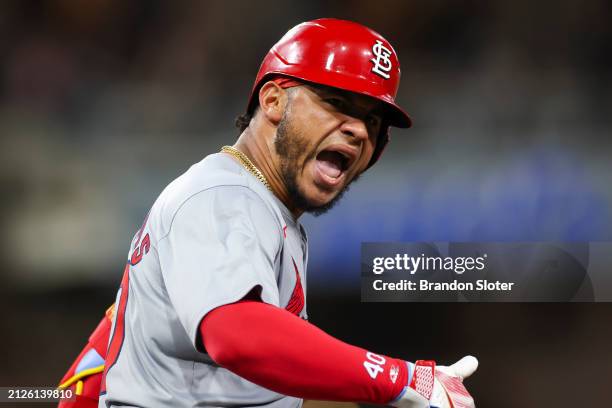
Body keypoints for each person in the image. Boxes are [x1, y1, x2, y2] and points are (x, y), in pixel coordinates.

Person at [57, 18, 477, 408]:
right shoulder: (223, 196)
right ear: (274, 99)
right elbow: (237, 335)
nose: (358, 129)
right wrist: (400, 378)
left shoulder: (261, 206)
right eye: (336, 103)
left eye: (371, 119)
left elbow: (104, 350)